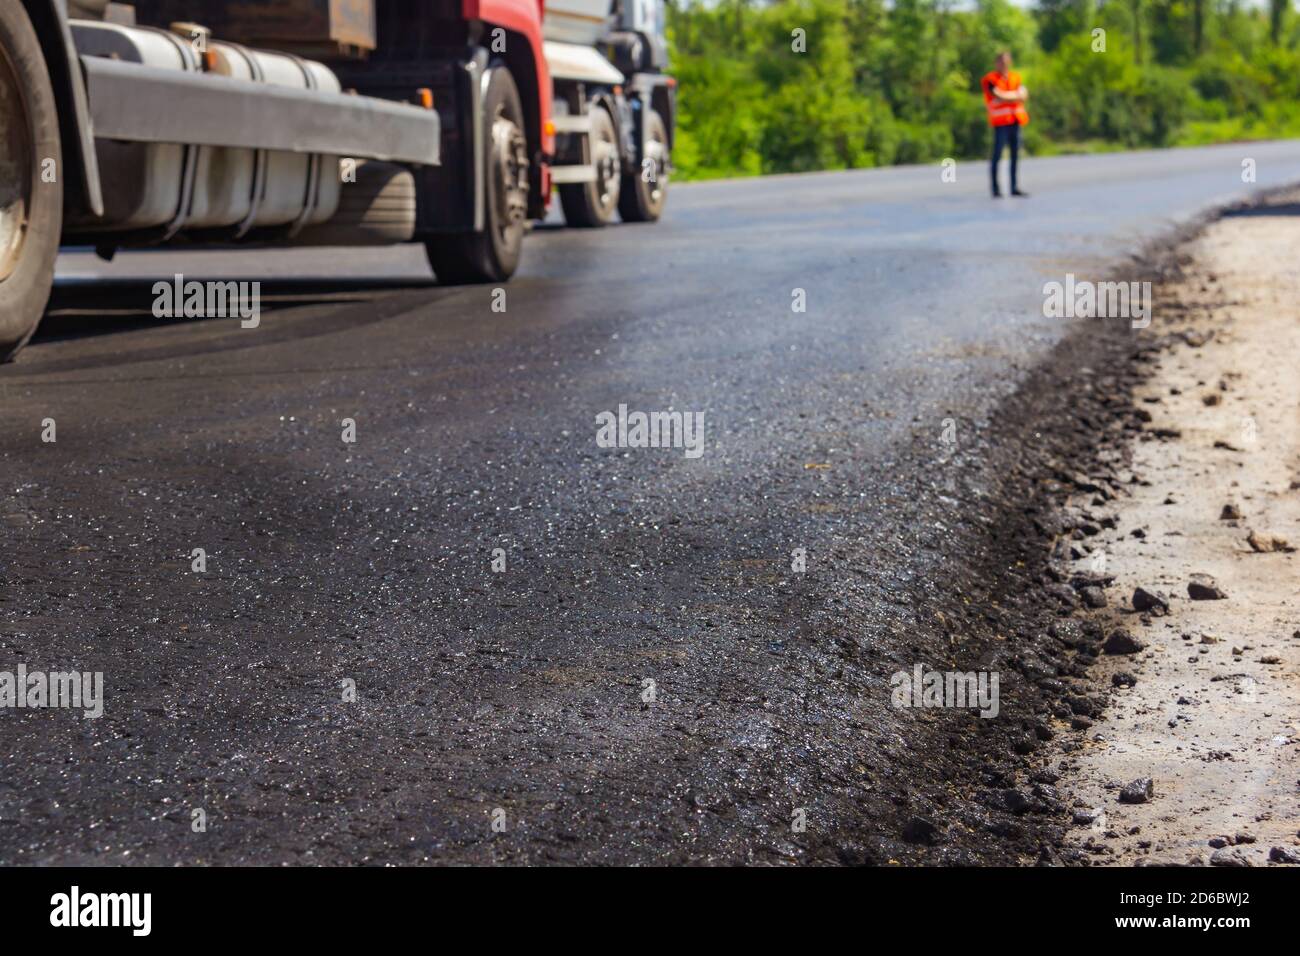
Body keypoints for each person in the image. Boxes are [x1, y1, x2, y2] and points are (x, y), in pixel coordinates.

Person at [982, 52, 1030, 198]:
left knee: (1015, 155)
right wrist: (1015, 96)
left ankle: (1014, 187)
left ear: (1009, 62)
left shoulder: (1015, 77)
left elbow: (1024, 94)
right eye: (1000, 62)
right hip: (1000, 123)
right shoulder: (990, 79)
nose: (1003, 64)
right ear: (996, 63)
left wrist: (1010, 96)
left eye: (1005, 61)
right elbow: (998, 95)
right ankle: (995, 189)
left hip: (1015, 120)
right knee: (997, 155)